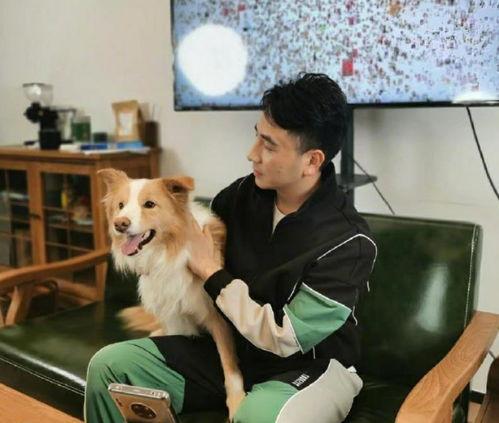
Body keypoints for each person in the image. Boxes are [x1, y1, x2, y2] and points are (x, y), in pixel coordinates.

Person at [84, 73, 377, 423]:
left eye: (269, 146)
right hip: (231, 352)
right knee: (109, 367)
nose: (252, 154)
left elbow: (284, 339)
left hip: (309, 367)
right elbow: (179, 247)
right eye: (256, 136)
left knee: (256, 417)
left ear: (312, 161)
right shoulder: (238, 196)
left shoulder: (349, 242)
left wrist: (211, 272)